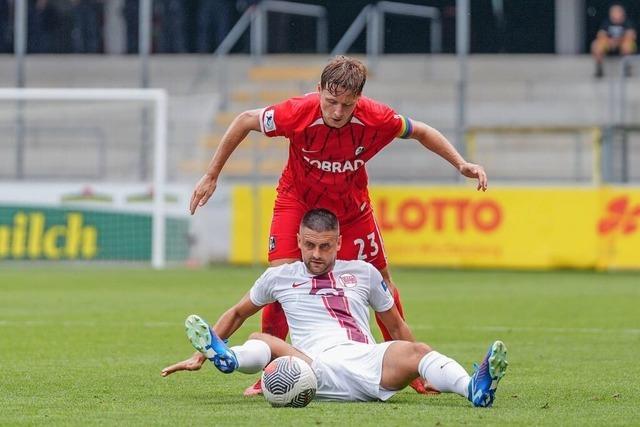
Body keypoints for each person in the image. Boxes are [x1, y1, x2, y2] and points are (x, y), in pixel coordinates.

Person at [189, 55, 488, 396]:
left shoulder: (376, 117)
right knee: (283, 275)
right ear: (318, 91)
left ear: (358, 99)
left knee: (384, 281)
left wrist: (460, 163)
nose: (336, 112)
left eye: (346, 104)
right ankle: (271, 372)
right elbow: (244, 120)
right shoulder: (296, 112)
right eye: (330, 102)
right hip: (297, 198)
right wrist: (212, 174)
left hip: (351, 206)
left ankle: (415, 373)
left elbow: (420, 130)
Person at [162, 209, 508, 406]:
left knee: (418, 349)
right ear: (298, 241)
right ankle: (229, 358)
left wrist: (416, 376)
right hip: (311, 368)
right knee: (263, 338)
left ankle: (473, 390)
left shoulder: (365, 272)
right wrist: (200, 356)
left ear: (339, 243)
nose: (315, 254)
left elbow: (397, 328)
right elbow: (238, 312)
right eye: (309, 245)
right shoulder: (278, 277)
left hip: (366, 363)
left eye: (325, 247)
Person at [591, 3, 637, 78]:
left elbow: (631, 35)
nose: (615, 14)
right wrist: (610, 41)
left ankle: (626, 66)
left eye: (617, 12)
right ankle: (599, 68)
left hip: (622, 45)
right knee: (596, 44)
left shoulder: (627, 23)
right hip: (609, 45)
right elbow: (600, 34)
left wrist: (618, 41)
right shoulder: (607, 23)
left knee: (628, 44)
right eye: (613, 12)